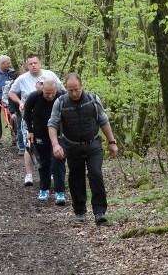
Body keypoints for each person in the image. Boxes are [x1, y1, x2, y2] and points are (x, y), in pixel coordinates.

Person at [48, 72, 118, 225]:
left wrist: (111, 142)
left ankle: (100, 212)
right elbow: (52, 124)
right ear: (65, 88)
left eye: (77, 89)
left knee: (95, 173)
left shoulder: (93, 99)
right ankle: (79, 212)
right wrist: (55, 145)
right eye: (70, 90)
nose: (74, 93)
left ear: (82, 86)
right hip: (72, 146)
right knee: (76, 178)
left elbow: (103, 120)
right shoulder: (60, 102)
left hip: (93, 144)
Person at [9, 54, 63, 186]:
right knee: (29, 144)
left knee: (51, 142)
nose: (33, 65)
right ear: (27, 65)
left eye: (35, 63)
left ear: (40, 63)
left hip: (50, 115)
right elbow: (11, 93)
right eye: (30, 63)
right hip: (29, 115)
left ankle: (49, 173)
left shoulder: (50, 75)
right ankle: (29, 174)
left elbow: (62, 89)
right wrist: (20, 102)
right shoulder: (22, 79)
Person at [24, 79, 67, 205]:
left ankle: (60, 191)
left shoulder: (62, 97)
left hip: (58, 135)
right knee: (44, 163)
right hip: (40, 133)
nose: (50, 96)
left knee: (58, 160)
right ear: (42, 89)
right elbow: (26, 113)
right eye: (47, 93)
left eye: (52, 93)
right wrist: (30, 131)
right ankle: (44, 189)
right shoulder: (34, 97)